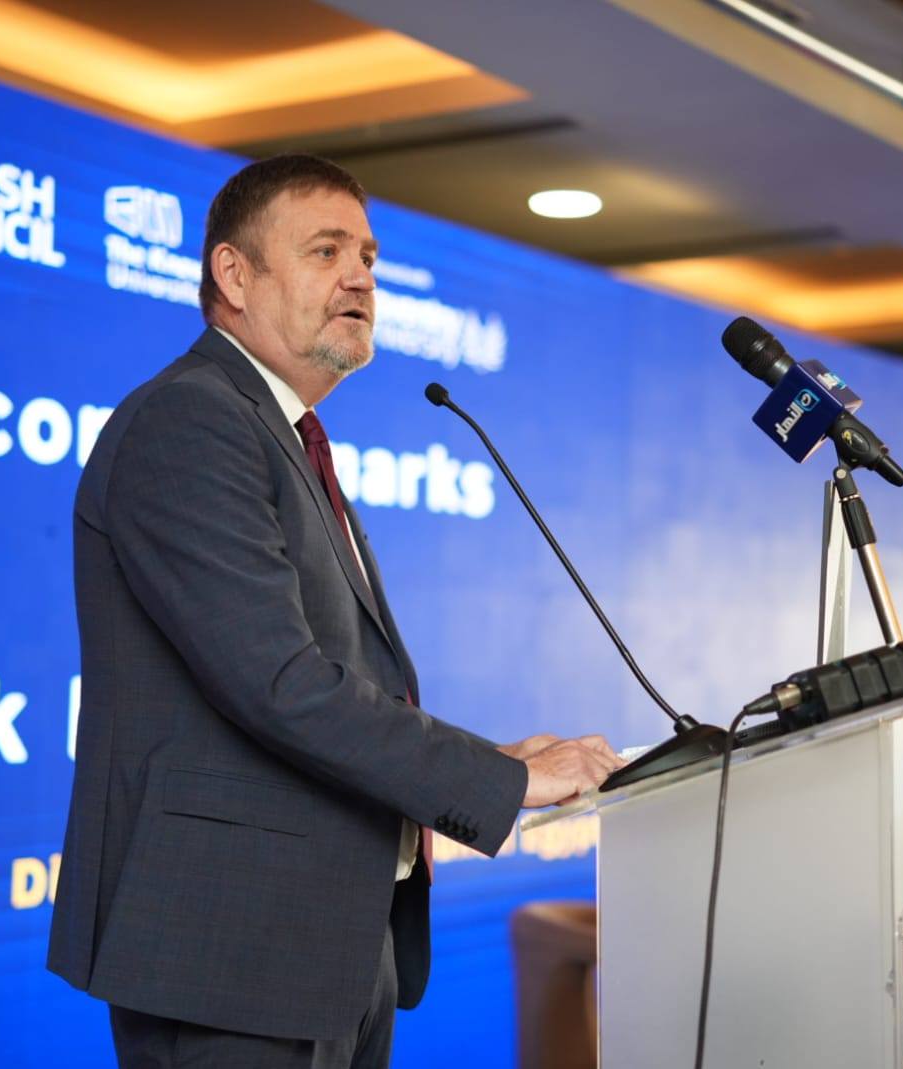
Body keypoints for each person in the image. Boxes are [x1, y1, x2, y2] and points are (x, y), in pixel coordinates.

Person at [47, 154, 621, 1068]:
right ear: (235, 275)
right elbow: (280, 683)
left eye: (367, 256)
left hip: (332, 944)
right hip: (229, 954)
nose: (359, 277)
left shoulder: (278, 434)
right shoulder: (191, 421)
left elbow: (330, 683)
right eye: (326, 251)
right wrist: (498, 782)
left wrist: (496, 757)